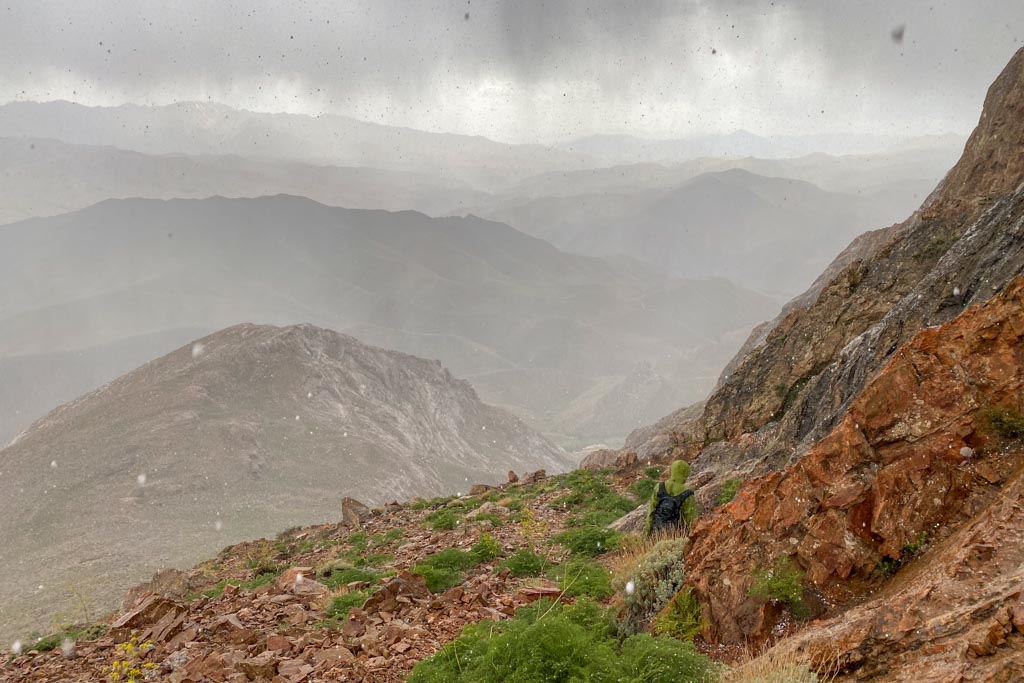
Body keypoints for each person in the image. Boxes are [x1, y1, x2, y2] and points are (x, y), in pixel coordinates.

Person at [646, 460, 697, 534]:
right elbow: (691, 519)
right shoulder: (688, 493)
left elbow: (650, 514)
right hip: (676, 535)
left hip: (656, 533)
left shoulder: (659, 487)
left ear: (672, 471)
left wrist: (648, 534)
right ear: (686, 473)